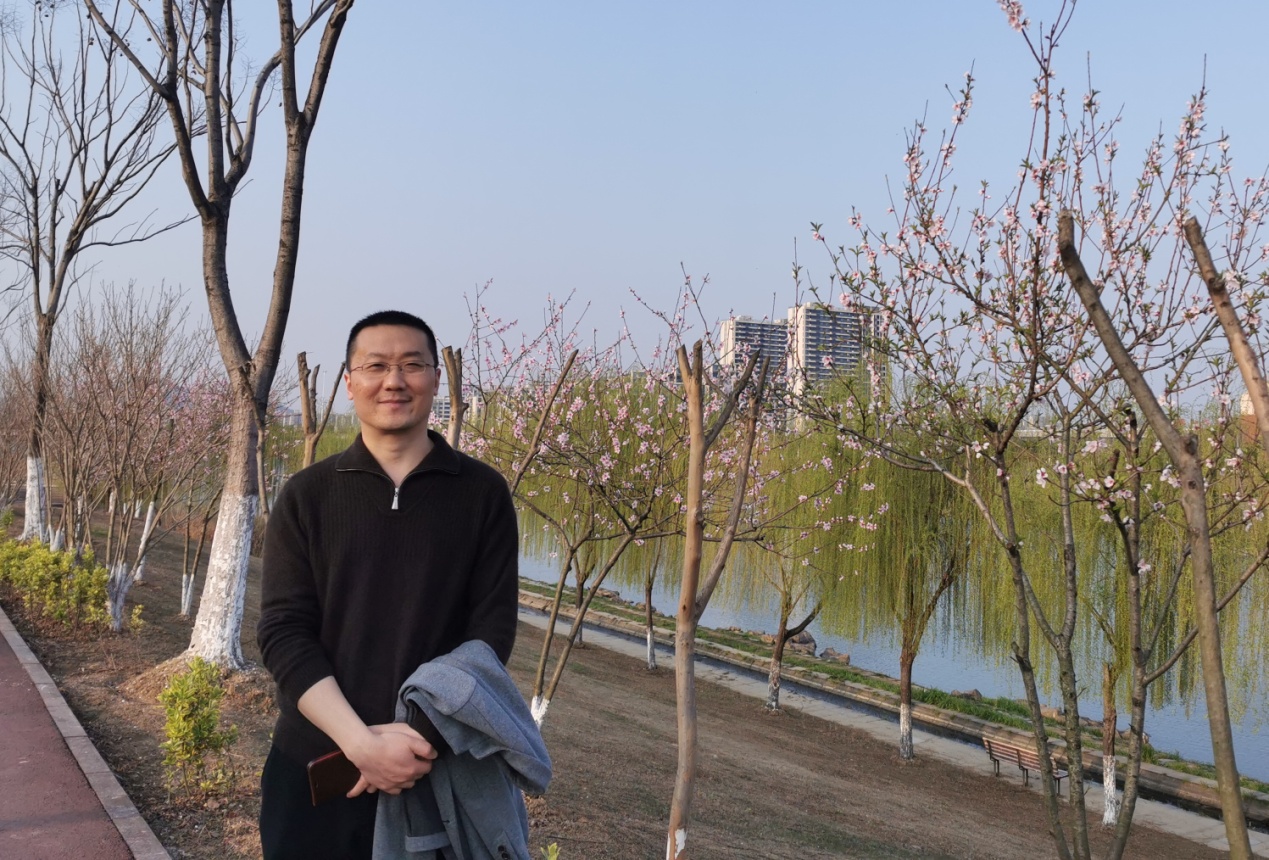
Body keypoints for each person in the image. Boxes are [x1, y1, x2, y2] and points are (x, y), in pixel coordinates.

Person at [257, 310, 520, 860]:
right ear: (350, 382)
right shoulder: (307, 495)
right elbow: (284, 633)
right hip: (316, 767)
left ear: (437, 379)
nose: (394, 381)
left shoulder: (482, 494)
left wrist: (413, 742)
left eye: (412, 365)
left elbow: (489, 634)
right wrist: (361, 745)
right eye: (375, 366)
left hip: (434, 772)